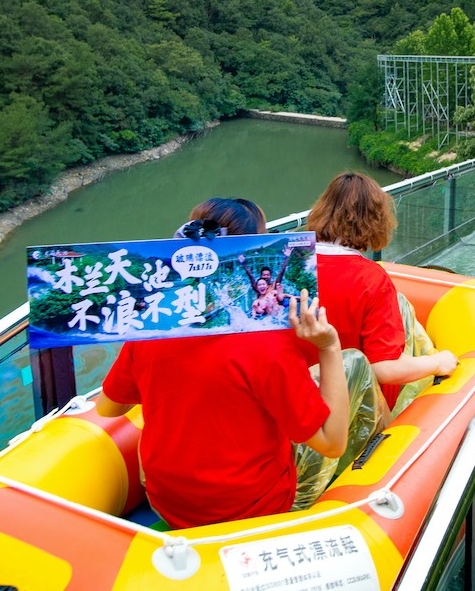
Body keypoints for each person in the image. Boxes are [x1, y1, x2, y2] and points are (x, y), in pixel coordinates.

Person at [95, 198, 349, 529]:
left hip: (167, 501)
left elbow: (107, 409)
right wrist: (329, 346)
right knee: (352, 366)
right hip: (248, 509)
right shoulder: (268, 344)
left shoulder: (152, 329)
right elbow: (332, 444)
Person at [305, 172, 458, 410]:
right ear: (376, 220)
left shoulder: (292, 266)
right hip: (350, 411)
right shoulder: (370, 279)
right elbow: (384, 367)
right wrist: (437, 363)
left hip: (298, 404)